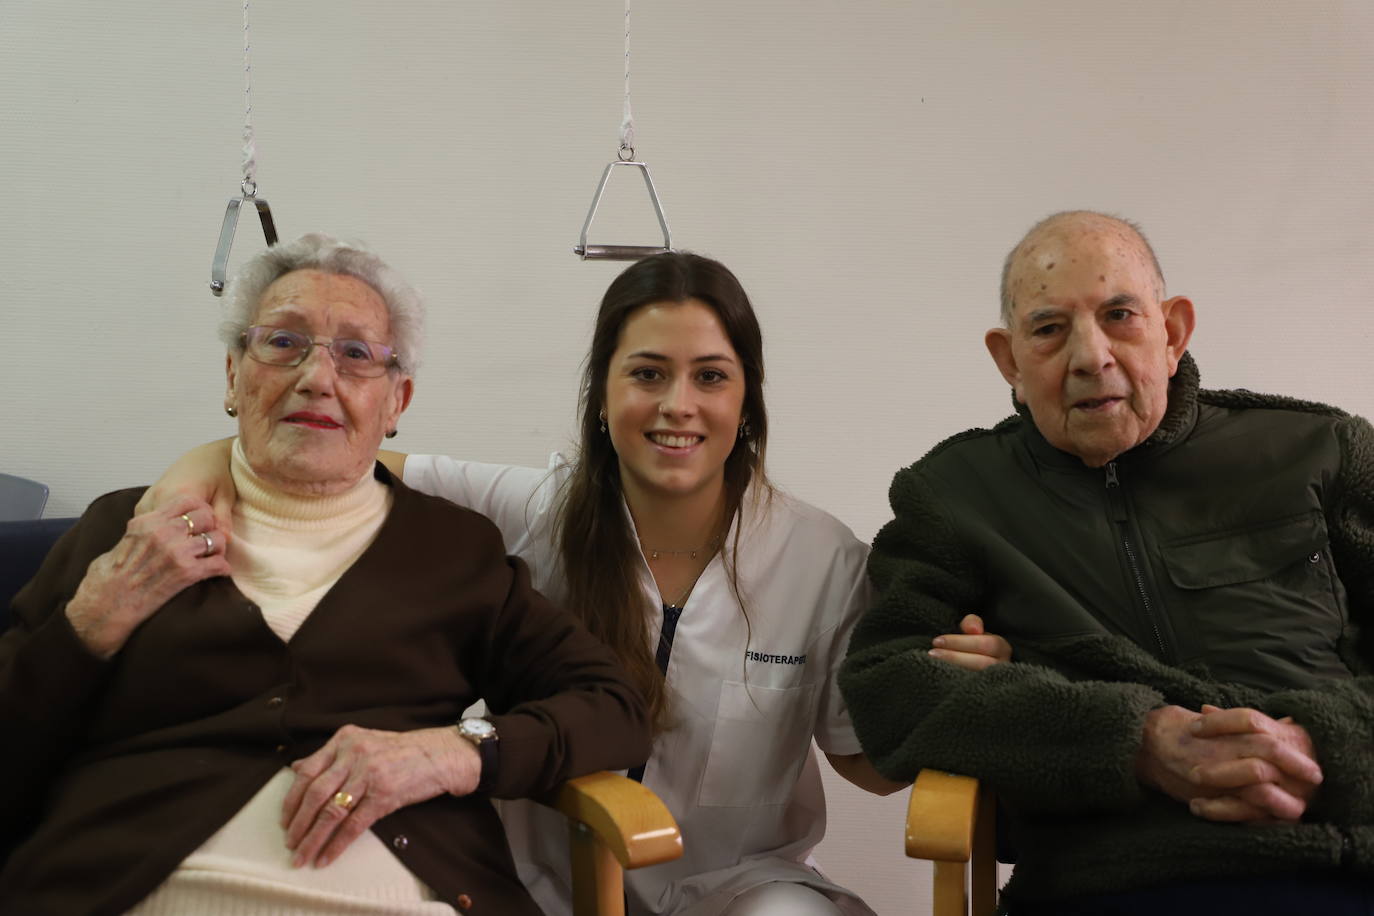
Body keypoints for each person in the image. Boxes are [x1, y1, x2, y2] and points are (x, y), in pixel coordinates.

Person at [140, 251, 1012, 915]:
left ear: (747, 401)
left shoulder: (823, 556)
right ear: (602, 394)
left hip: (743, 888)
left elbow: (865, 764)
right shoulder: (525, 509)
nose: (678, 404)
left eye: (711, 376)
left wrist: (946, 694)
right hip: (539, 884)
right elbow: (327, 451)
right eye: (646, 374)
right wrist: (182, 485)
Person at [0, 233, 651, 915]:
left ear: (396, 402)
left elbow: (611, 706)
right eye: (283, 343)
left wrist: (451, 753)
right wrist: (87, 626)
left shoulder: (452, 550)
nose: (317, 377)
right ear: (232, 376)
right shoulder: (122, 531)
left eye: (356, 354)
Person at [839, 209, 1374, 915]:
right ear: (1009, 360)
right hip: (1108, 882)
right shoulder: (954, 495)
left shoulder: (1323, 450)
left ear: (1173, 330)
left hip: (1344, 856)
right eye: (1050, 328)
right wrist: (1138, 741)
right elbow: (889, 688)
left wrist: (1317, 749)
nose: (1091, 356)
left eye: (1119, 314)